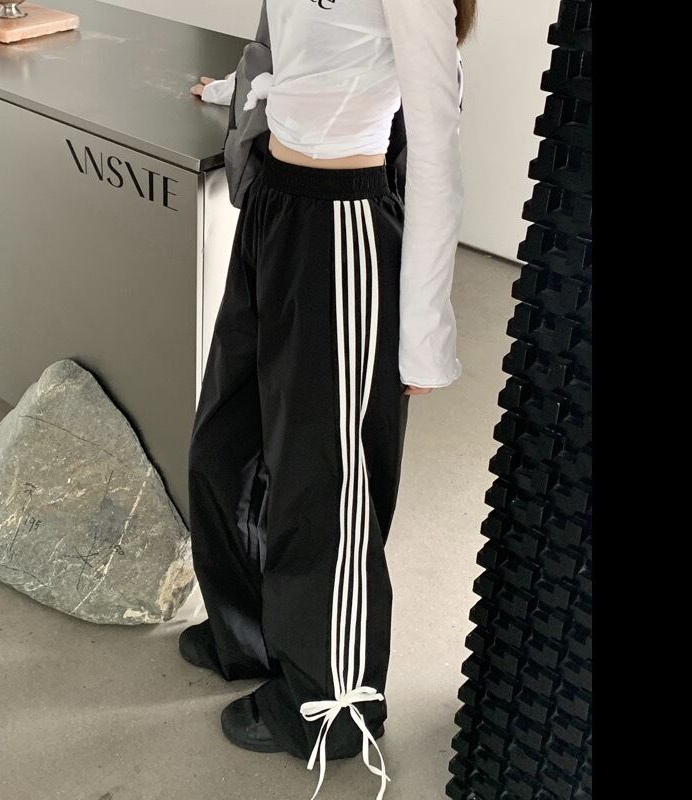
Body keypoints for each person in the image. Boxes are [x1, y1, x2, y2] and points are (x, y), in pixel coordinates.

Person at [185, 1, 476, 797]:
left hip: (341, 226)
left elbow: (437, 141)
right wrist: (235, 91)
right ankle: (251, 632)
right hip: (273, 205)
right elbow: (297, 52)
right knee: (227, 441)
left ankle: (330, 706)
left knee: (325, 484)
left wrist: (424, 333)